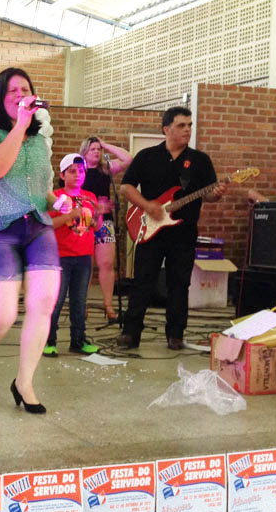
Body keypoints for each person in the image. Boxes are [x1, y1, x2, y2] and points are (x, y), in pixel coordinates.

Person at [0, 67, 71, 414]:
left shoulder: (38, 140)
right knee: (1, 316)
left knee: (44, 304)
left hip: (38, 226)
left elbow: (41, 187)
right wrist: (20, 126)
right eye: (12, 90)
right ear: (0, 96)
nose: (20, 95)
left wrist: (58, 201)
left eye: (25, 89)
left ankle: (24, 381)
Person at [116, 107, 227, 351]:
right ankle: (130, 332)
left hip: (184, 233)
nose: (187, 129)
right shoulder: (147, 156)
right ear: (166, 129)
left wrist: (216, 194)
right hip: (150, 230)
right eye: (181, 125)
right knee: (142, 281)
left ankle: (175, 333)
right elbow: (126, 187)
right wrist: (148, 206)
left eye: (190, 125)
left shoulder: (200, 160)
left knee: (180, 283)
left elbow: (209, 195)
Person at [44, 153, 100, 357]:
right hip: (60, 256)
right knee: (56, 301)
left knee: (79, 301)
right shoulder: (55, 197)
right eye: (72, 171)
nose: (78, 175)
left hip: (84, 255)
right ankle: (48, 341)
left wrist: (96, 220)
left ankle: (78, 340)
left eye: (81, 171)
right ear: (62, 175)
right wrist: (69, 215)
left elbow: (96, 226)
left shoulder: (90, 197)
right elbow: (47, 224)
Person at [79, 136, 132, 321]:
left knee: (107, 264)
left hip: (105, 221)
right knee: (85, 264)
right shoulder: (78, 169)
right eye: (92, 149)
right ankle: (81, 304)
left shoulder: (105, 168)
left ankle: (108, 306)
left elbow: (128, 159)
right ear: (84, 151)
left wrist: (106, 145)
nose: (97, 152)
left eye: (98, 149)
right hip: (84, 220)